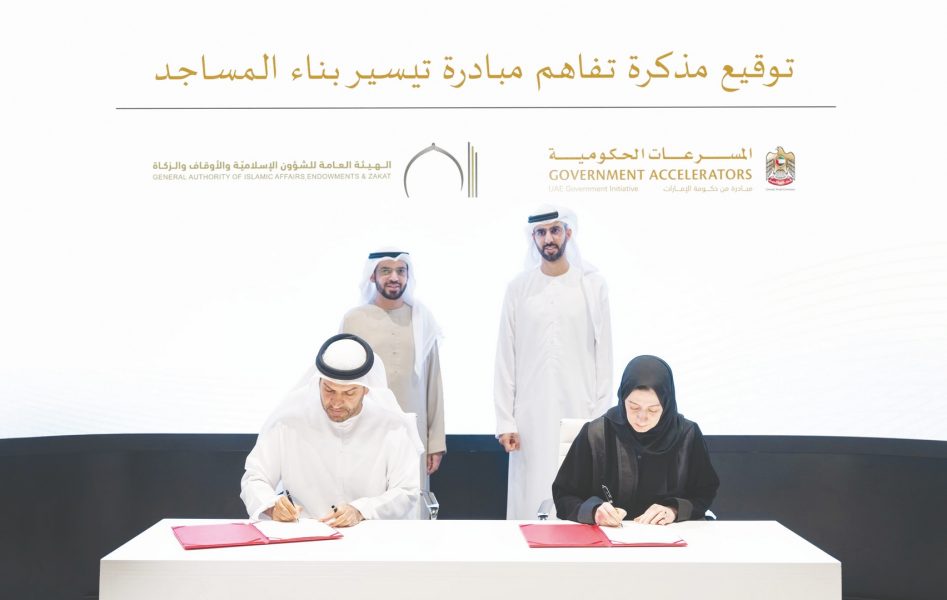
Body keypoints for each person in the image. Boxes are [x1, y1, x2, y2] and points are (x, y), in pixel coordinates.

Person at [494, 206, 613, 519]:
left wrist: (600, 419)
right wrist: (506, 420)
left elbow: (604, 357)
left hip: (580, 411)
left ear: (568, 233)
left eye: (555, 230)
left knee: (576, 493)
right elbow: (505, 357)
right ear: (533, 237)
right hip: (529, 418)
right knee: (530, 495)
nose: (549, 238)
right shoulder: (518, 289)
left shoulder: (592, 286)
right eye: (541, 232)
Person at [240, 333, 423, 526]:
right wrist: (271, 505)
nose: (336, 402)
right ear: (318, 382)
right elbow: (254, 478)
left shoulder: (392, 427)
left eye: (349, 393)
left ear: (366, 389)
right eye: (329, 390)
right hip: (304, 534)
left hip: (370, 535)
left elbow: (406, 491)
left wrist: (361, 510)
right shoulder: (288, 422)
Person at [552, 355, 719, 526]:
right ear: (622, 398)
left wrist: (673, 511)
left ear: (667, 405)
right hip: (608, 536)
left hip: (669, 536)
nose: (642, 418)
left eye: (653, 410)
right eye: (633, 407)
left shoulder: (687, 435)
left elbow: (704, 494)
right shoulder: (596, 435)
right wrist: (594, 512)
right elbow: (564, 495)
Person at [341, 249, 446, 481]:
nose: (394, 277)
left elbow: (434, 383)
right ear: (372, 275)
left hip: (412, 433)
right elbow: (341, 382)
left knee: (411, 495)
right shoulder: (354, 320)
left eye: (401, 271)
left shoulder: (422, 319)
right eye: (386, 271)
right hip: (365, 430)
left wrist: (436, 442)